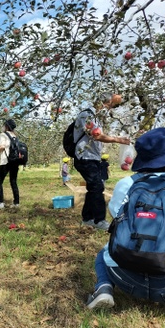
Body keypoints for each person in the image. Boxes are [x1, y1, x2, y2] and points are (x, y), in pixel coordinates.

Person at [86, 128, 165, 322]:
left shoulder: (126, 184)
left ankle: (104, 287)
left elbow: (116, 218)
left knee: (103, 252)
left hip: (126, 279)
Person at [73, 92, 130, 230]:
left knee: (94, 187)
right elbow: (96, 135)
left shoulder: (96, 118)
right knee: (97, 187)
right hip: (84, 157)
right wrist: (118, 140)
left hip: (92, 157)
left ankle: (87, 219)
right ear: (102, 103)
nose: (109, 109)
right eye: (110, 105)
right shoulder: (86, 115)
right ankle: (99, 220)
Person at [0, 119, 20, 209]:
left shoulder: (3, 135)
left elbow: (2, 146)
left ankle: (0, 202)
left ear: (7, 126)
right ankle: (16, 203)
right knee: (13, 181)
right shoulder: (15, 136)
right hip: (15, 161)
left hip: (6, 161)